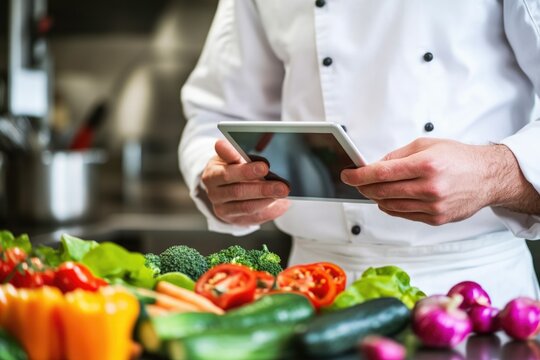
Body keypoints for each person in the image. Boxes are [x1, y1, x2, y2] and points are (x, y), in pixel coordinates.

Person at [179, 0, 540, 307]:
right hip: (310, 286)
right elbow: (218, 113)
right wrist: (221, 182)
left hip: (475, 292)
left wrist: (497, 174)